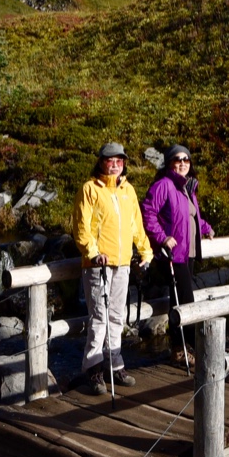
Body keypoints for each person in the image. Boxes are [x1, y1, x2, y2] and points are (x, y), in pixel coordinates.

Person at [75, 141, 152, 394]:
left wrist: (145, 250)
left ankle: (114, 363)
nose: (115, 165)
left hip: (122, 263)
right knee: (99, 318)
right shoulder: (89, 189)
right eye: (111, 161)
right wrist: (93, 253)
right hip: (99, 265)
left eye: (119, 161)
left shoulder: (128, 190)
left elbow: (136, 224)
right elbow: (81, 227)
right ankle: (94, 369)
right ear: (101, 162)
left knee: (117, 317)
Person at [141, 144, 213, 360]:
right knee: (186, 301)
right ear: (169, 163)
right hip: (174, 254)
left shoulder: (187, 187)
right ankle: (188, 346)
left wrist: (206, 228)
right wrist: (162, 237)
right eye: (177, 159)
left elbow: (190, 217)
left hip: (188, 252)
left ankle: (178, 347)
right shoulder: (164, 185)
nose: (182, 163)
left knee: (178, 300)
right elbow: (148, 213)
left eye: (186, 160)